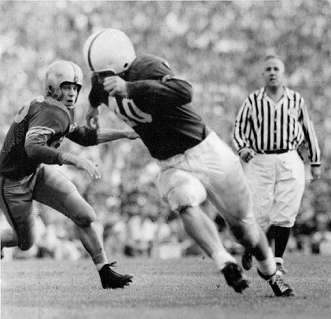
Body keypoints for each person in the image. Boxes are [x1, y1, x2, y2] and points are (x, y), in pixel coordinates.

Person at [82, 28, 294, 297]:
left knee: (245, 230)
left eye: (104, 74)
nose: (100, 79)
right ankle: (223, 260)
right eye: (98, 74)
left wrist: (131, 88)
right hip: (172, 164)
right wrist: (92, 108)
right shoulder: (101, 78)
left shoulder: (145, 67)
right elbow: (95, 91)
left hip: (206, 151)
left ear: (119, 63)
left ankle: (271, 273)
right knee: (183, 201)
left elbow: (185, 91)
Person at [0, 60, 136, 289]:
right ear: (52, 87)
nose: (72, 93)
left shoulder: (55, 109)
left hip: (35, 173)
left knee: (85, 215)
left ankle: (105, 272)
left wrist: (124, 133)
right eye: (66, 87)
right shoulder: (51, 111)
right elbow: (32, 147)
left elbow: (83, 136)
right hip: (12, 184)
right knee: (25, 243)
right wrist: (74, 159)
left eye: (75, 88)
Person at [233, 55, 322, 274]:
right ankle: (250, 247)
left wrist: (315, 161)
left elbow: (308, 130)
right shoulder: (252, 100)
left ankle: (278, 261)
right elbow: (239, 127)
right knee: (258, 211)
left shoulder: (295, 100)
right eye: (268, 69)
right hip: (260, 159)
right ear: (263, 74)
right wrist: (243, 147)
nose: (272, 72)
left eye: (276, 69)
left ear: (283, 74)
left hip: (289, 157)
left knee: (286, 209)